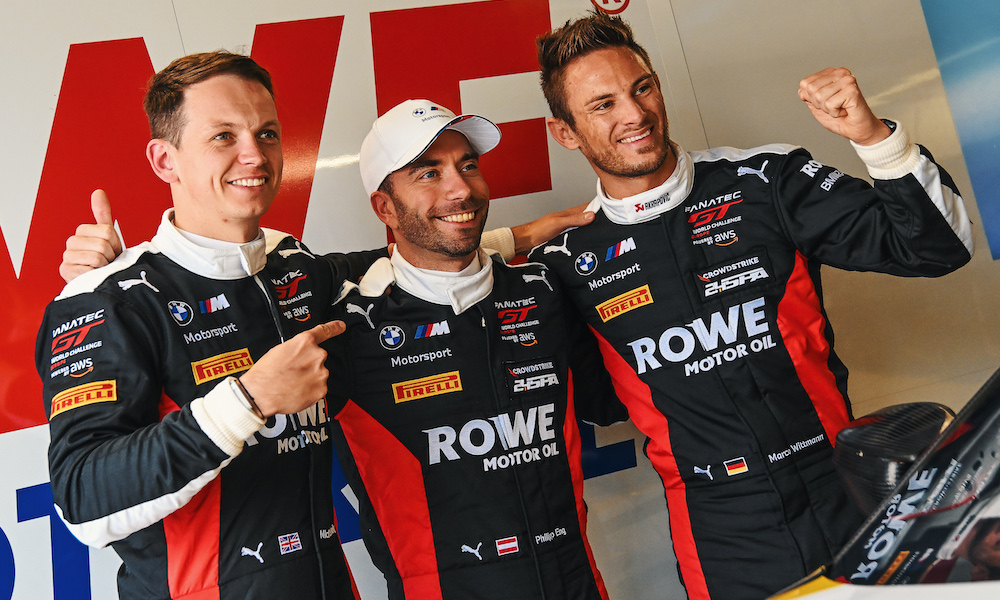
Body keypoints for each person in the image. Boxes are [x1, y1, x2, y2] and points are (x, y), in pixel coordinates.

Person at [527, 10, 974, 600]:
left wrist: (874, 138)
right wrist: (505, 242)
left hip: (844, 491)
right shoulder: (563, 263)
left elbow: (938, 248)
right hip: (719, 532)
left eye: (642, 88)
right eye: (603, 105)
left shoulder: (765, 179)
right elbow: (600, 401)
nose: (634, 114)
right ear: (566, 133)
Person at [36, 51, 370, 599]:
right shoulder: (107, 300)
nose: (254, 155)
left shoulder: (290, 261)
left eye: (266, 133)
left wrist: (514, 237)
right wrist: (248, 401)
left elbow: (387, 266)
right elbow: (83, 502)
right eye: (223, 136)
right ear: (165, 160)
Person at [321, 98, 622, 599]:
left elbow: (610, 405)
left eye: (468, 166)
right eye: (428, 173)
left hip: (576, 583)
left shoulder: (545, 290)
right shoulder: (349, 329)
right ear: (385, 208)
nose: (461, 189)